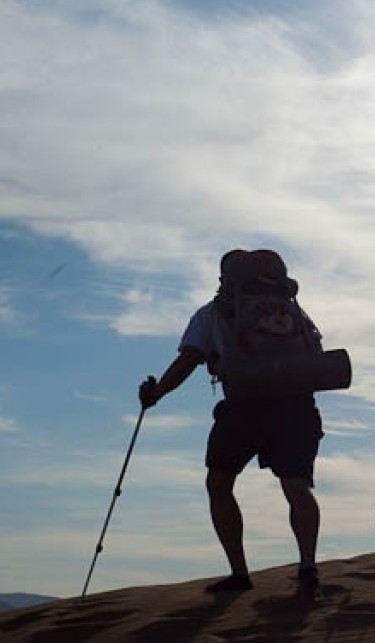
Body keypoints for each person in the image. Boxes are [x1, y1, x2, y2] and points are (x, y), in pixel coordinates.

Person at [138, 249, 324, 593]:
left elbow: (189, 359)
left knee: (220, 482)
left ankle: (240, 574)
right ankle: (308, 566)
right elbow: (316, 353)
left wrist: (157, 393)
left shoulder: (215, 313)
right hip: (296, 405)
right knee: (296, 485)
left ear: (226, 278)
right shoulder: (293, 311)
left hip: (244, 406)